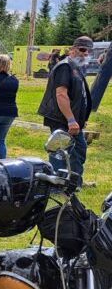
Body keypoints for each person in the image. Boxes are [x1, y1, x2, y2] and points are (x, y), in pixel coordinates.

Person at [38, 36, 94, 182]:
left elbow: (79, 95)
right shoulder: (64, 66)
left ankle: (74, 183)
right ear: (73, 49)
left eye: (88, 50)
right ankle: (58, 184)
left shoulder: (75, 67)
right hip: (61, 120)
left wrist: (81, 119)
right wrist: (71, 119)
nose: (86, 53)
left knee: (78, 152)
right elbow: (61, 94)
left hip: (73, 121)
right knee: (61, 154)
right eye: (82, 49)